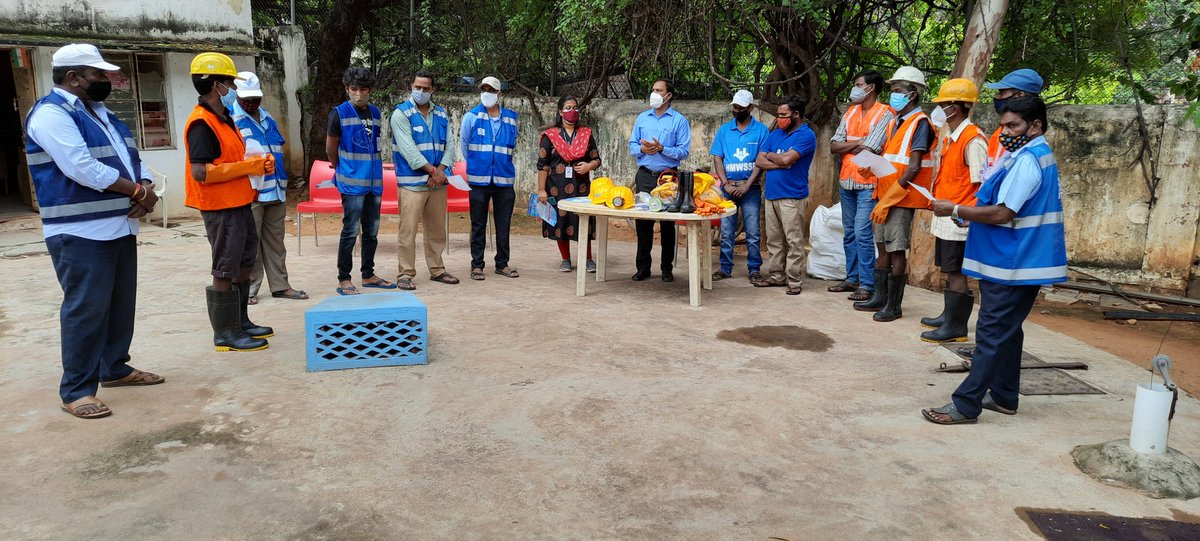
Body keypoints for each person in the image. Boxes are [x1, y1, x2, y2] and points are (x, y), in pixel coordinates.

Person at [26, 44, 165, 418]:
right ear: (73, 78)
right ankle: (76, 391)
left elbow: (131, 157)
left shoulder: (101, 113)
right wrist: (137, 192)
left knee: (120, 305)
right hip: (79, 231)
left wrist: (147, 186)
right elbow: (81, 167)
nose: (107, 80)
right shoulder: (51, 115)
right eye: (99, 75)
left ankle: (114, 368)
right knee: (86, 309)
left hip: (119, 224)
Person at [922, 96, 1066, 425]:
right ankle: (1004, 396)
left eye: (1013, 125)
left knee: (990, 334)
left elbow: (1003, 213)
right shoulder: (1031, 156)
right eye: (1002, 125)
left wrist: (956, 209)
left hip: (1012, 263)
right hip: (1016, 260)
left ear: (1036, 126)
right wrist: (970, 217)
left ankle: (966, 403)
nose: (1005, 132)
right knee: (1008, 332)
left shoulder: (1029, 160)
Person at [184, 52, 275, 353]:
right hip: (220, 207)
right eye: (227, 82)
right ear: (215, 84)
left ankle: (241, 324)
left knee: (243, 263)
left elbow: (231, 159)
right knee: (224, 267)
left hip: (239, 202)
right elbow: (201, 172)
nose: (231, 88)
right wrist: (248, 168)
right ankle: (225, 334)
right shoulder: (201, 123)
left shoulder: (223, 118)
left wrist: (255, 161)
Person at [854, 66, 934, 322]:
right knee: (882, 246)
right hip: (884, 192)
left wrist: (889, 199)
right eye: (892, 90)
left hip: (901, 197)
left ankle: (894, 305)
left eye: (897, 91)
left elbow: (913, 167)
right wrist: (872, 170)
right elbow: (890, 159)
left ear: (912, 94)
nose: (893, 95)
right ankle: (880, 297)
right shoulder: (895, 123)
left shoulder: (920, 124)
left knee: (896, 249)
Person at [919, 78, 987, 343]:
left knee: (957, 271)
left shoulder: (973, 140)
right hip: (948, 213)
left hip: (959, 217)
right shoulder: (952, 137)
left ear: (955, 108)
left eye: (943, 104)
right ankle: (949, 316)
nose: (939, 109)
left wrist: (964, 214)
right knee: (949, 269)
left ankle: (956, 327)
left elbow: (982, 184)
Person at [231, 71, 307, 305]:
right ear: (237, 95)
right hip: (251, 192)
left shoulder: (267, 118)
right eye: (247, 99)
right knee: (250, 244)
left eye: (256, 98)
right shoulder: (231, 121)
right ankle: (250, 288)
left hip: (276, 189)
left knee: (276, 242)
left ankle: (280, 285)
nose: (252, 103)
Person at [828, 70, 894, 301]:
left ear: (871, 88)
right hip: (846, 181)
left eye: (858, 84)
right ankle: (852, 278)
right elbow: (833, 145)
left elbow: (873, 148)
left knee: (862, 233)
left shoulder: (885, 113)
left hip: (869, 183)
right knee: (849, 233)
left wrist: (848, 144)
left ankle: (867, 284)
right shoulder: (851, 111)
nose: (854, 88)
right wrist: (859, 143)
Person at [327, 67, 394, 295]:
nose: (358, 94)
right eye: (354, 89)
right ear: (347, 89)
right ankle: (344, 278)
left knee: (372, 231)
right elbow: (330, 148)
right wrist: (343, 169)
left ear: (370, 90)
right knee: (350, 230)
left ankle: (368, 274)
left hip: (374, 183)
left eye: (363, 89)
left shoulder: (375, 113)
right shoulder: (339, 113)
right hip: (352, 183)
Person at [390, 70, 460, 290]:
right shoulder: (401, 114)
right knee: (408, 230)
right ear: (411, 86)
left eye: (426, 88)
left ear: (433, 90)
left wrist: (439, 172)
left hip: (437, 183)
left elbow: (450, 145)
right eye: (417, 87)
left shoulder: (440, 114)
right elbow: (408, 150)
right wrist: (433, 171)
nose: (421, 91)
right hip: (412, 183)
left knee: (437, 229)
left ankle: (437, 269)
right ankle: (405, 273)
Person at [752, 95, 817, 295]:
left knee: (793, 240)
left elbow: (787, 158)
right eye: (779, 114)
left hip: (792, 196)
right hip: (771, 195)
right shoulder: (776, 134)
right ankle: (776, 276)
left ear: (796, 114)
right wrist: (780, 160)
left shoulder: (806, 135)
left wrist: (779, 158)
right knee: (774, 239)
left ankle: (794, 280)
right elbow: (759, 161)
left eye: (784, 115)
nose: (779, 118)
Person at [628, 79, 692, 282]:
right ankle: (643, 268)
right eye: (653, 89)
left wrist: (663, 148)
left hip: (668, 179)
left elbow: (683, 151)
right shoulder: (642, 118)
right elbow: (631, 145)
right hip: (645, 175)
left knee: (667, 225)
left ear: (668, 95)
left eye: (658, 90)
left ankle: (667, 269)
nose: (654, 93)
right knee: (643, 224)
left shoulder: (679, 120)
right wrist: (643, 149)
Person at [461, 76, 520, 280]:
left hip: (504, 181)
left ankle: (502, 264)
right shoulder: (471, 117)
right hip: (478, 181)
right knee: (477, 224)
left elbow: (513, 146)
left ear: (499, 93)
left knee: (503, 225)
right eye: (484, 89)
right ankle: (476, 265)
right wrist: (479, 165)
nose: (487, 92)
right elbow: (465, 146)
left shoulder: (512, 118)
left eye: (491, 90)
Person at [537, 95, 601, 272]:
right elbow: (542, 165)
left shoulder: (586, 134)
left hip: (581, 187)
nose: (572, 111)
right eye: (567, 107)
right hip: (556, 187)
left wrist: (589, 165)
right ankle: (565, 258)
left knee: (583, 221)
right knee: (560, 222)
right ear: (560, 111)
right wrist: (542, 190)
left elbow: (597, 159)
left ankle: (588, 259)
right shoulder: (550, 136)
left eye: (575, 107)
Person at [710, 89, 768, 283]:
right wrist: (725, 184)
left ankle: (754, 270)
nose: (736, 110)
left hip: (750, 188)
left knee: (752, 232)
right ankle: (725, 268)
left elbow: (761, 162)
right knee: (726, 232)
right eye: (734, 107)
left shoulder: (761, 131)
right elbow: (717, 158)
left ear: (750, 108)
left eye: (741, 107)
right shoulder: (724, 130)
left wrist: (747, 185)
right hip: (728, 189)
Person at [982, 69, 1043, 169]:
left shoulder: (1024, 139)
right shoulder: (1001, 132)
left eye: (1002, 92)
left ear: (1020, 95)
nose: (997, 96)